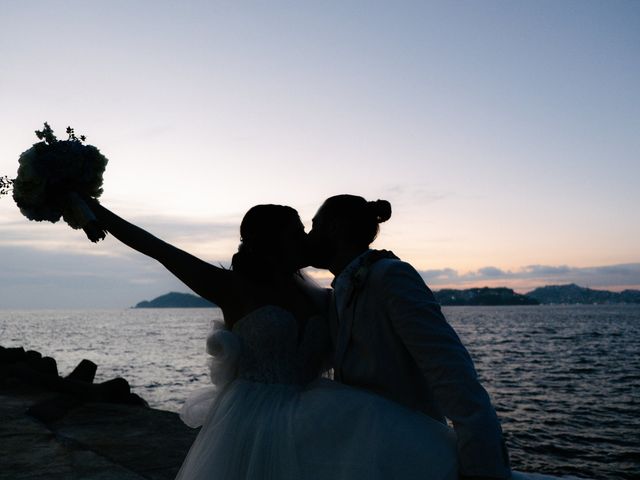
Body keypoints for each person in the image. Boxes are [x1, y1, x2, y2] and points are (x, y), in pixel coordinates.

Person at [87, 200, 459, 479]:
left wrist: (372, 262)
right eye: (297, 231)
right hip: (249, 419)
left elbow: (370, 326)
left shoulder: (325, 296)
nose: (307, 238)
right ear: (273, 240)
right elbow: (156, 248)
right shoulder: (234, 288)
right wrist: (92, 210)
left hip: (313, 416)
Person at [307, 194, 512, 480]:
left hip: (412, 455)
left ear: (335, 228)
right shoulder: (338, 292)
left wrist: (484, 470)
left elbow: (451, 373)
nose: (308, 236)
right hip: (367, 456)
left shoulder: (392, 276)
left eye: (314, 227)